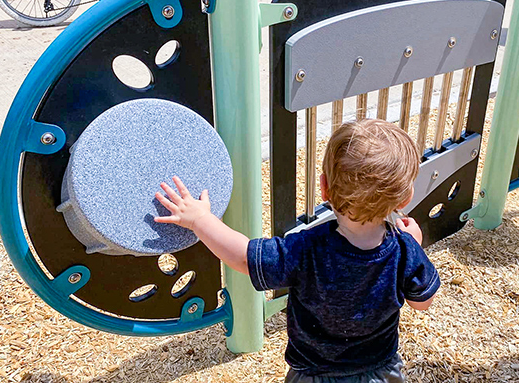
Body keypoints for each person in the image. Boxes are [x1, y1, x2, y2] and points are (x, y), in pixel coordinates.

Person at [155, 118, 440, 382]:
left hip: (313, 374)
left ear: (324, 188)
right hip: (380, 371)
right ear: (406, 197)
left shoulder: (307, 249)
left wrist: (199, 220)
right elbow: (421, 302)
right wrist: (414, 245)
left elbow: (243, 256)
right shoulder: (405, 249)